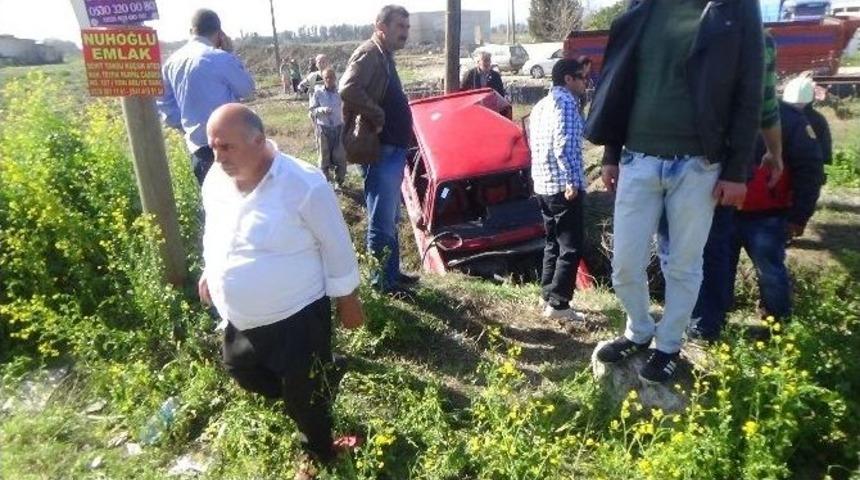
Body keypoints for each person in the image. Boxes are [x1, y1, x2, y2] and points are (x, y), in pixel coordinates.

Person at [586, 0, 764, 383]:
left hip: (699, 166)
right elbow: (624, 81)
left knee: (684, 265)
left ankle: (668, 344)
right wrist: (612, 153)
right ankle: (638, 329)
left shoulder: (736, 8)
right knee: (626, 264)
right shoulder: (644, 5)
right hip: (638, 159)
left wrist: (736, 171)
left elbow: (750, 90)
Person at [198, 103, 365, 466]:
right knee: (240, 369)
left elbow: (336, 245)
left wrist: (348, 300)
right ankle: (320, 375)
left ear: (258, 140)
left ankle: (318, 450)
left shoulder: (303, 183)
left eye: (226, 146)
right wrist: (209, 271)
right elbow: (214, 230)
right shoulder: (215, 179)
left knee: (304, 396)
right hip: (240, 315)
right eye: (213, 146)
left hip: (297, 314)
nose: (218, 155)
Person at [689, 98, 825, 341]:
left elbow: (810, 168)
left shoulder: (788, 119)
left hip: (768, 215)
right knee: (717, 270)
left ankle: (779, 326)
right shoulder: (720, 109)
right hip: (720, 211)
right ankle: (713, 325)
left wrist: (800, 215)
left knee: (770, 272)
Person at [339, 4, 418, 295]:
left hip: (392, 148)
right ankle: (382, 284)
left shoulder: (384, 55)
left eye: (407, 28)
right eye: (400, 27)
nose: (404, 33)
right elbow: (347, 88)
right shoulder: (369, 52)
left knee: (390, 215)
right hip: (380, 147)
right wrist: (379, 116)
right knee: (381, 217)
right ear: (380, 26)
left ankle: (392, 273)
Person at [158, 9, 255, 186]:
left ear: (191, 31)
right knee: (241, 205)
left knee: (213, 205)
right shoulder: (220, 58)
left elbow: (165, 105)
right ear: (219, 34)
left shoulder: (171, 62)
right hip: (231, 147)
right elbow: (247, 89)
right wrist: (230, 54)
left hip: (199, 150)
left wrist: (186, 126)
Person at [529, 59, 589, 322]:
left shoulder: (541, 105)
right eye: (582, 77)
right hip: (563, 187)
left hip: (543, 184)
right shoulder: (566, 104)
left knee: (552, 242)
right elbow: (564, 146)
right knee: (571, 245)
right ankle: (559, 303)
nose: (585, 82)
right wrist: (571, 182)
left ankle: (547, 294)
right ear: (568, 79)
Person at [309, 68, 347, 189]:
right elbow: (311, 111)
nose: (329, 80)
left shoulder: (341, 93)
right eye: (327, 78)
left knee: (340, 157)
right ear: (323, 79)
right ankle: (326, 183)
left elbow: (348, 109)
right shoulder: (318, 93)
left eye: (331, 77)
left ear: (335, 78)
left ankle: (339, 183)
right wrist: (322, 110)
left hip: (339, 128)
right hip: (323, 129)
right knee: (324, 158)